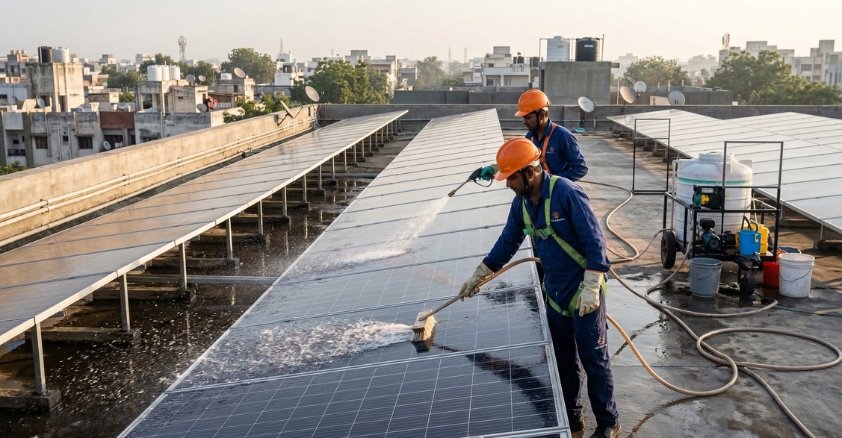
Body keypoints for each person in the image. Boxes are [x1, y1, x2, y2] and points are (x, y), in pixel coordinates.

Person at [460, 137, 620, 438]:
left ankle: (608, 422)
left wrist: (591, 284)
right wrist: (480, 273)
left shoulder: (566, 193)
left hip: (583, 290)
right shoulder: (521, 204)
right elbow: (507, 242)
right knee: (563, 360)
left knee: (594, 359)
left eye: (511, 178)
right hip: (556, 293)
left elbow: (595, 242)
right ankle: (572, 416)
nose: (507, 184)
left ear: (529, 172)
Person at [479, 89, 587, 182]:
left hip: (558, 194)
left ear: (541, 115)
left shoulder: (563, 136)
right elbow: (519, 162)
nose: (524, 122)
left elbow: (580, 168)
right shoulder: (530, 137)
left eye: (528, 117)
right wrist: (496, 168)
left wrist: (554, 182)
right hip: (538, 192)